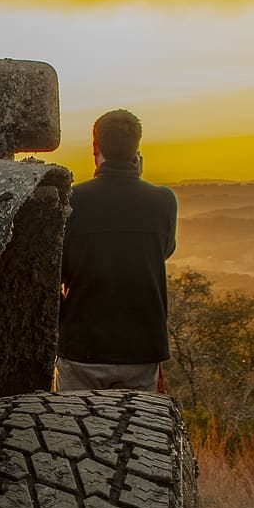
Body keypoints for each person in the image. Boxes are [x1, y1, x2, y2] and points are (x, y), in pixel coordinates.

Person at [57, 109, 177, 392]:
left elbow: (56, 271)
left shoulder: (72, 201)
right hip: (142, 349)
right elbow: (164, 250)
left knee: (72, 432)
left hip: (82, 347)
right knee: (136, 434)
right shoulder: (163, 201)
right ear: (137, 148)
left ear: (96, 148)